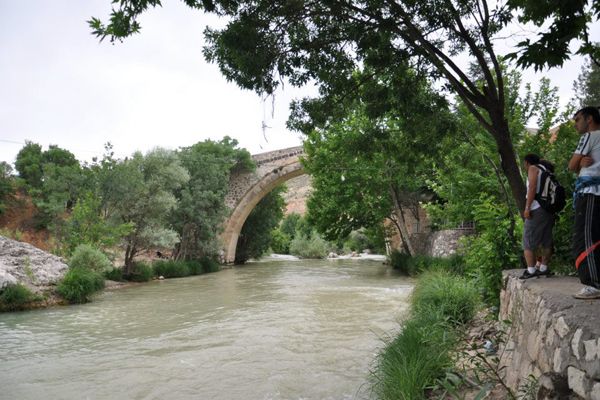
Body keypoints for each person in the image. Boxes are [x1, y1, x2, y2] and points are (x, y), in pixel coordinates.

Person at [568, 106, 600, 299]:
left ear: (589, 119)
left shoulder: (590, 136)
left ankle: (593, 284)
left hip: (590, 193)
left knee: (586, 237)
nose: (575, 125)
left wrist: (577, 163)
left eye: (578, 119)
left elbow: (571, 165)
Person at [520, 153, 555, 279]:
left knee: (527, 239)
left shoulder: (533, 168)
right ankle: (544, 267)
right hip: (548, 208)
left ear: (527, 162)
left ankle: (531, 270)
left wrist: (527, 208)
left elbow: (532, 187)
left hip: (537, 208)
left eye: (524, 163)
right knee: (546, 239)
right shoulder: (545, 170)